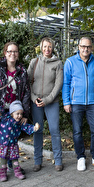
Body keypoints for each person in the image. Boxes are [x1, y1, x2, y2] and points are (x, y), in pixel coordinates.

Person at [0, 41, 31, 183]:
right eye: (9, 51)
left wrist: (25, 114)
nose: (12, 54)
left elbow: (26, 93)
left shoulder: (22, 70)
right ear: (5, 53)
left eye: (15, 51)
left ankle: (11, 165)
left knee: (12, 139)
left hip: (14, 114)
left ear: (18, 54)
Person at [62, 37, 94, 171]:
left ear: (91, 48)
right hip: (76, 102)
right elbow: (66, 83)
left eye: (88, 47)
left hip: (93, 102)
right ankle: (80, 158)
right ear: (78, 47)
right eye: (83, 46)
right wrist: (66, 101)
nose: (85, 49)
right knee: (77, 131)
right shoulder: (70, 62)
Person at [28, 37, 64, 172]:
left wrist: (48, 99)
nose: (47, 49)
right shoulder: (34, 62)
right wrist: (33, 98)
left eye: (49, 47)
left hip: (51, 102)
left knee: (54, 130)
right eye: (44, 46)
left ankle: (58, 161)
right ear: (41, 48)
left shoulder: (58, 63)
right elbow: (28, 82)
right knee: (38, 130)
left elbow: (58, 84)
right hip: (36, 102)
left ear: (52, 47)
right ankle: (37, 161)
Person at [0, 100, 39, 181]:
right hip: (3, 144)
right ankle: (3, 173)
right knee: (3, 160)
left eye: (21, 114)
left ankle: (17, 172)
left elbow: (27, 127)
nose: (19, 116)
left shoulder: (19, 122)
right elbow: (0, 110)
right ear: (12, 113)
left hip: (13, 144)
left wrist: (34, 128)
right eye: (17, 113)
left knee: (15, 159)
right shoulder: (5, 117)